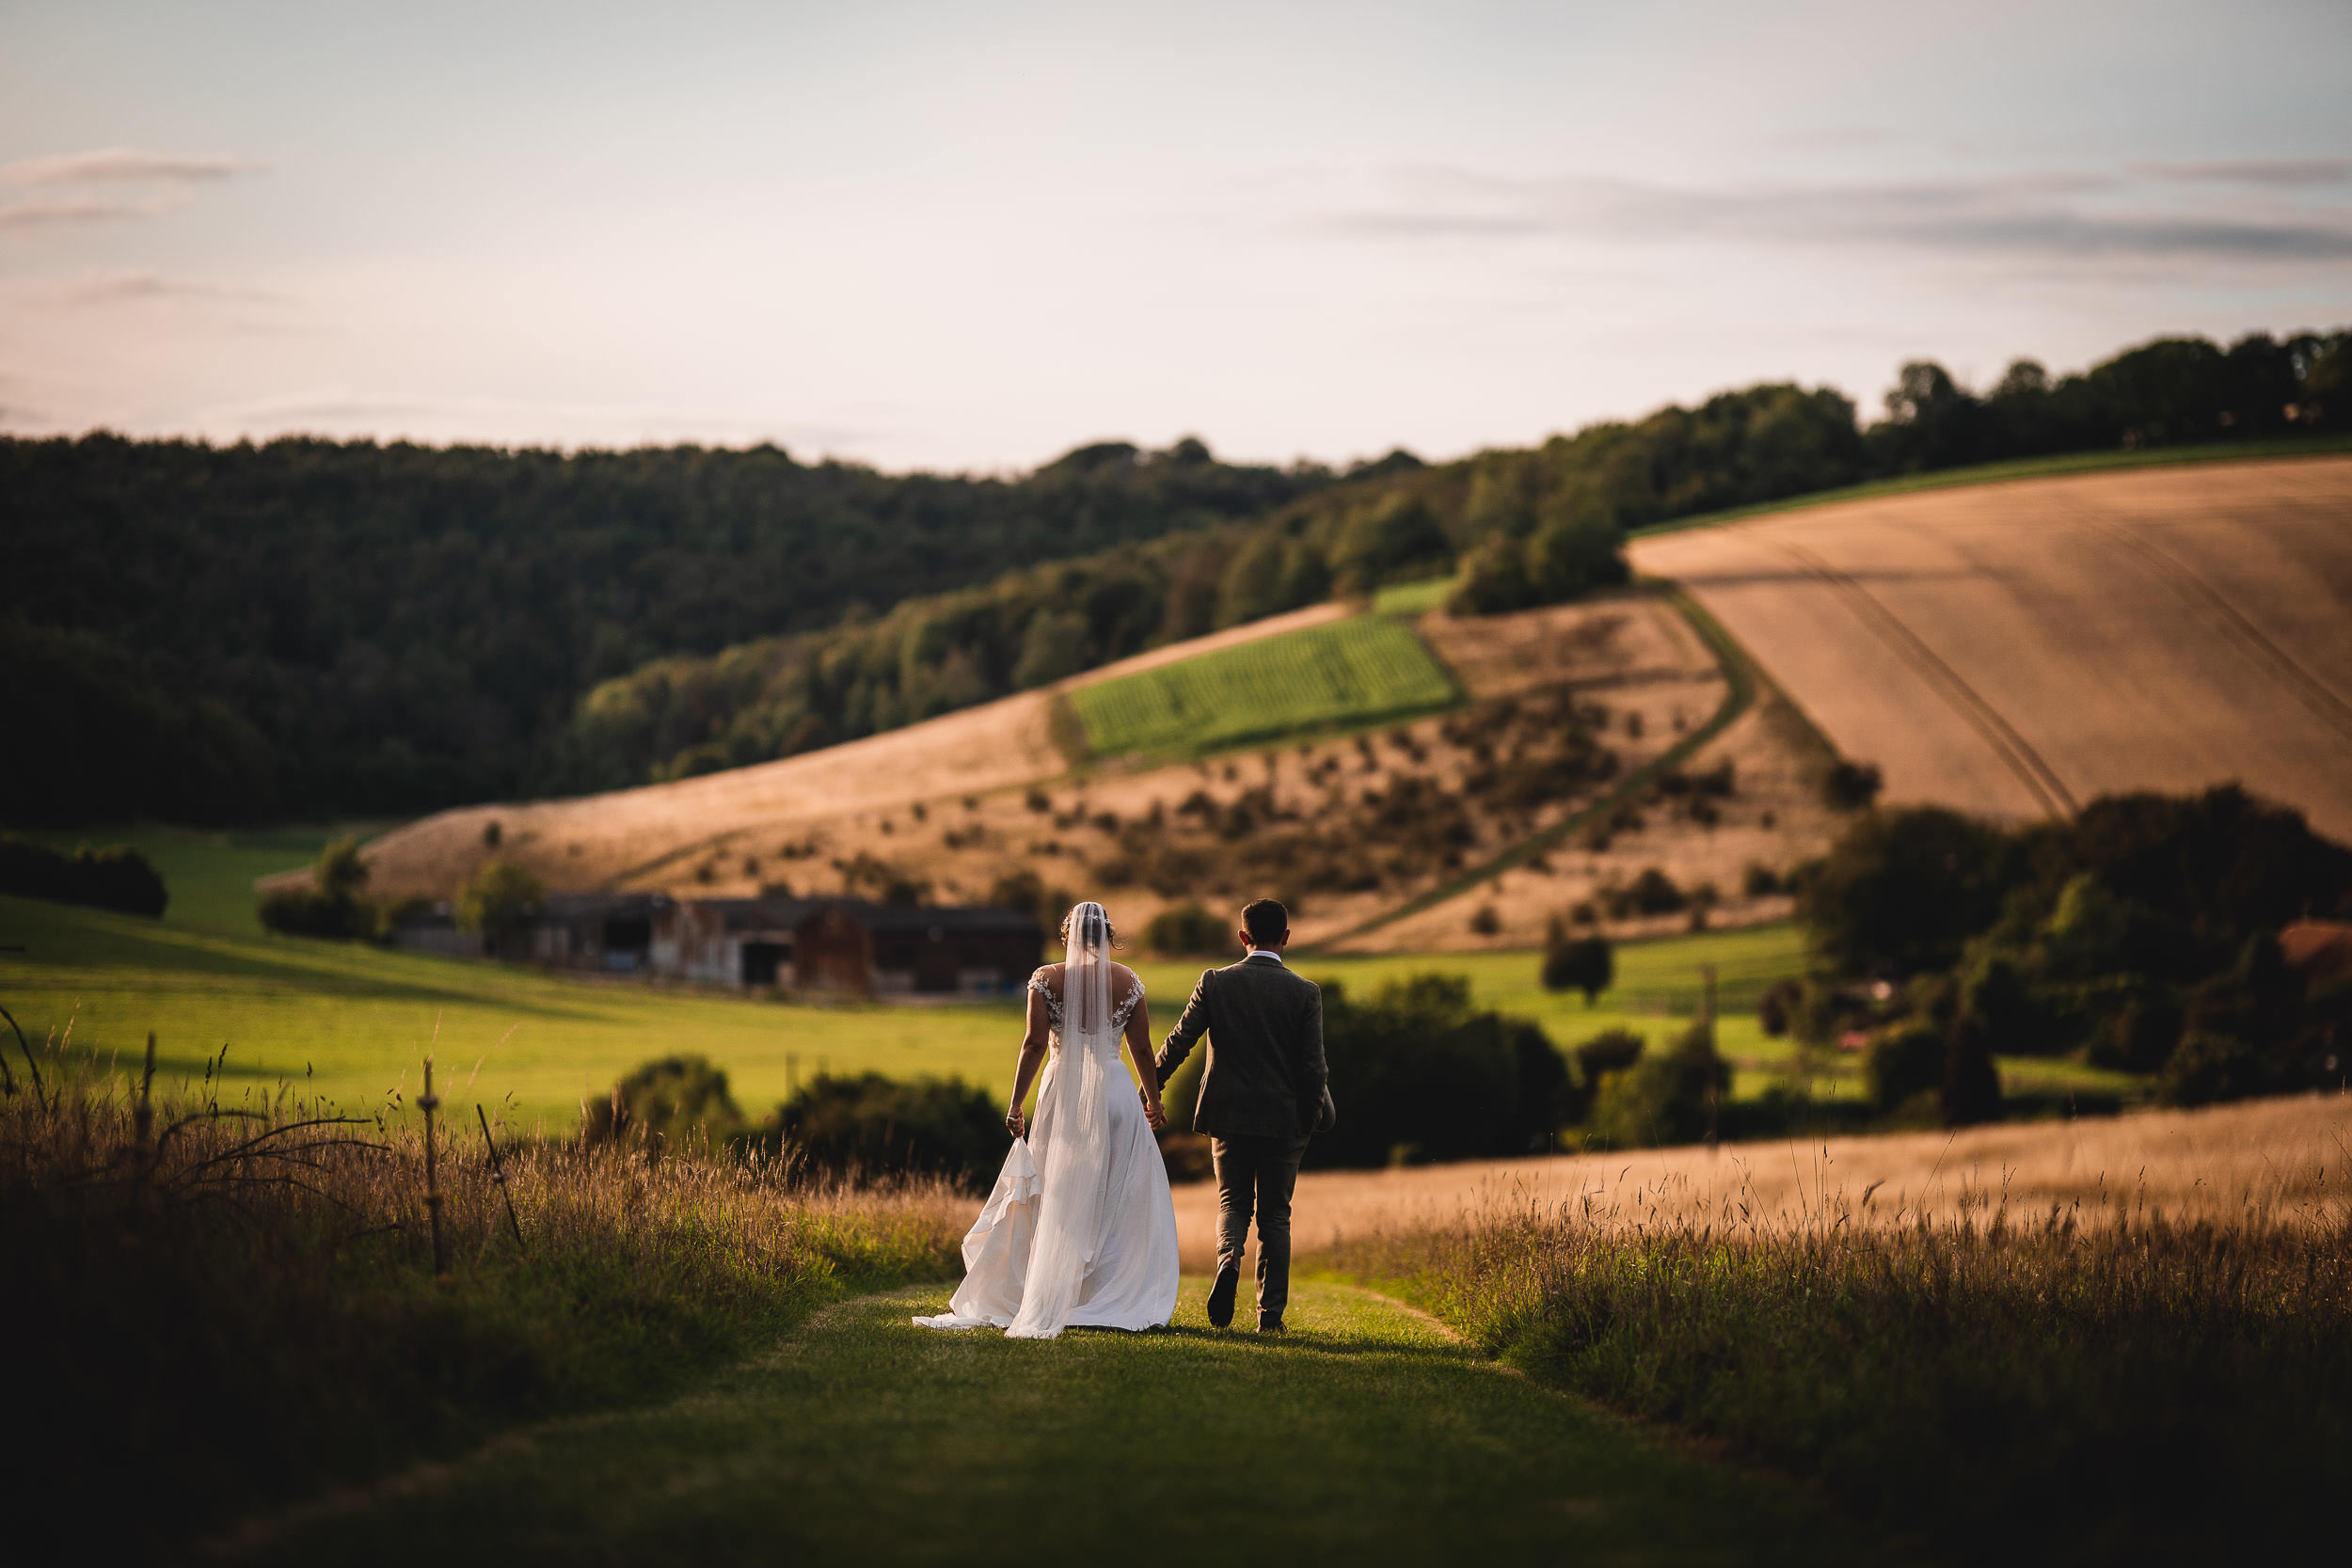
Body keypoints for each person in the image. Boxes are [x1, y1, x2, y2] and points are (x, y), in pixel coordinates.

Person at [914, 901, 1179, 1338]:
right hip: (1114, 1091)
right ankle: (1109, 1292)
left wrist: (1016, 1105)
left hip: (1064, 1091)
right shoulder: (1128, 981)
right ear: (1107, 936)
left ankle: (1057, 1289)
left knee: (1057, 1189)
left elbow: (1034, 1044)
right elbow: (1143, 1051)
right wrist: (1153, 1101)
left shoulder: (1046, 978)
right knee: (1118, 1191)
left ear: (1066, 935)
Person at [1153, 897, 1329, 1333]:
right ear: (1286, 938)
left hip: (1228, 1115)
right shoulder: (1306, 993)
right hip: (1285, 1120)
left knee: (1233, 1203)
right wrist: (1311, 1117)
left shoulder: (1215, 982)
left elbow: (1180, 1040)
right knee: (1275, 1215)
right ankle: (1269, 1317)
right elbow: (1313, 1067)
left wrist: (1149, 1085)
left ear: (1242, 937)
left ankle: (1229, 1258)